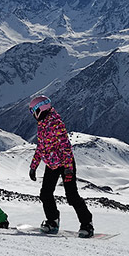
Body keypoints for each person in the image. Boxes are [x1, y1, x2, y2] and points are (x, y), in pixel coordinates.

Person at [27, 95, 94, 238]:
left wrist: (68, 168)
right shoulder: (43, 124)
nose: (33, 114)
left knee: (71, 196)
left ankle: (87, 224)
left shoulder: (55, 123)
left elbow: (66, 147)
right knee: (45, 193)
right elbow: (41, 147)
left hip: (64, 163)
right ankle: (52, 221)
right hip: (52, 164)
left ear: (41, 109)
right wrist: (34, 166)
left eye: (34, 111)